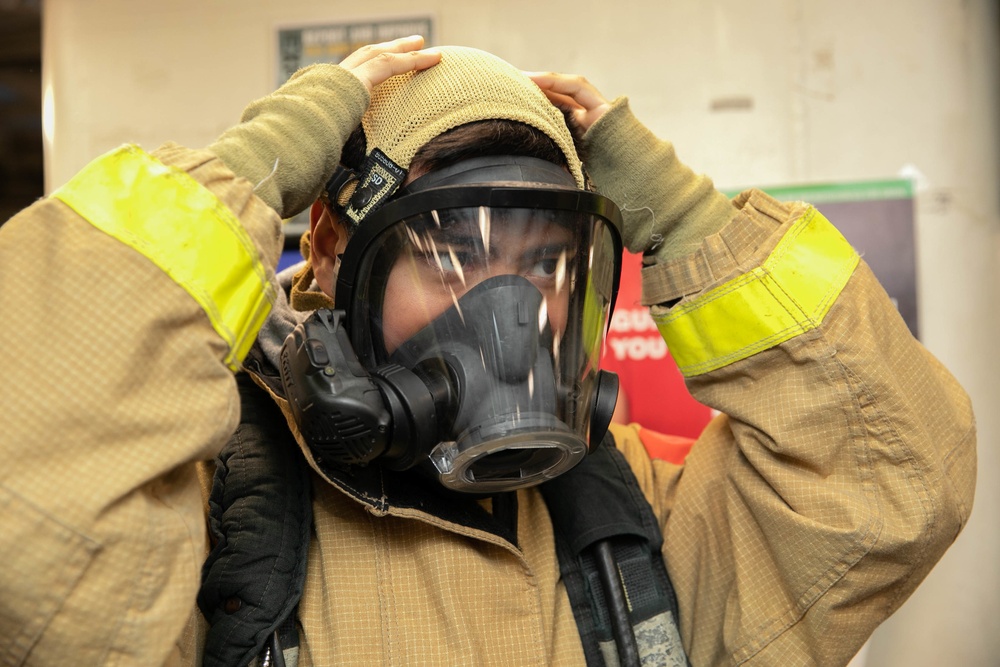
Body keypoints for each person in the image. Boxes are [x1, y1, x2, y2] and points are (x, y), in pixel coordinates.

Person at [0, 36, 976, 667]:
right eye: (452, 252)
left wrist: (686, 220)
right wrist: (241, 178)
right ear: (335, 252)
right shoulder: (212, 504)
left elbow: (894, 483)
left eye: (539, 259)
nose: (507, 309)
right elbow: (28, 525)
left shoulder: (636, 512)